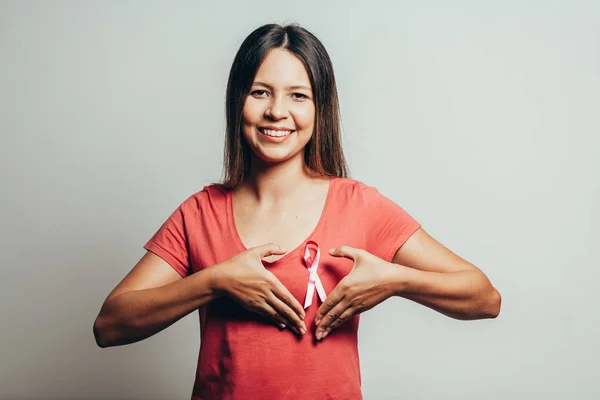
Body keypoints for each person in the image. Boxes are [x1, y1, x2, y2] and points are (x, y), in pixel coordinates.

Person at [93, 23, 501, 400]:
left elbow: (484, 298)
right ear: (238, 102)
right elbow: (109, 325)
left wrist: (393, 281)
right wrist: (215, 281)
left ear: (320, 109)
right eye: (260, 92)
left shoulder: (359, 204)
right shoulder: (200, 213)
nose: (276, 111)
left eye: (298, 95)